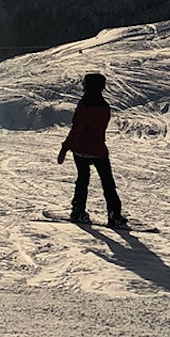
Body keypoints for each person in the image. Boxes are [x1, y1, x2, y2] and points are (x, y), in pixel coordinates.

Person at [58, 72, 127, 227]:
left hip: (80, 149)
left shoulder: (83, 105)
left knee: (83, 179)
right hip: (98, 149)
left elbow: (77, 128)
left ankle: (78, 211)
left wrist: (65, 147)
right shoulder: (104, 106)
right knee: (107, 182)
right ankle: (114, 214)